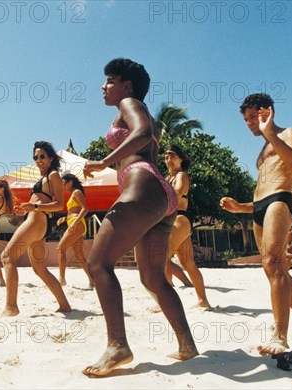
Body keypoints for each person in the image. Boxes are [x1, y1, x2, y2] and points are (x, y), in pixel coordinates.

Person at [82, 58, 198, 377]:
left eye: (110, 80)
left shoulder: (130, 103)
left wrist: (104, 161)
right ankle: (187, 344)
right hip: (160, 195)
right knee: (153, 277)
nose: (104, 86)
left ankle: (118, 344)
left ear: (127, 85)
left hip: (142, 183)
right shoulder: (136, 107)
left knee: (97, 263)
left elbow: (143, 133)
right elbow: (146, 135)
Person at [220, 93, 292, 356]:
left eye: (253, 117)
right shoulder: (263, 150)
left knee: (273, 264)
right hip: (259, 207)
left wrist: (270, 133)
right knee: (278, 272)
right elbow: (262, 189)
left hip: (280, 200)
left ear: (268, 112)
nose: (249, 123)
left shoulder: (289, 133)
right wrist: (240, 207)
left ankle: (280, 336)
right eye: (246, 120)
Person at [0, 141, 72, 317]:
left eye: (42, 156)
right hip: (36, 221)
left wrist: (35, 208)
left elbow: (59, 205)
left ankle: (11, 307)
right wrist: (26, 208)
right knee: (40, 268)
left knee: (7, 256)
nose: (38, 160)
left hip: (37, 221)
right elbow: (40, 202)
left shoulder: (53, 175)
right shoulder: (44, 178)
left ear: (50, 158)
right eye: (35, 157)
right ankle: (65, 305)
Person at [163, 145, 211, 308]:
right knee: (188, 262)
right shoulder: (168, 177)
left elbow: (177, 192)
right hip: (176, 220)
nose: (168, 159)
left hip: (179, 219)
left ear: (181, 159)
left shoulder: (181, 175)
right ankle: (203, 301)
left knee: (162, 258)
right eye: (166, 157)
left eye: (172, 156)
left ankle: (167, 302)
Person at [56, 173, 92, 287]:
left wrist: (74, 224)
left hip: (76, 223)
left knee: (60, 248)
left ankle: (61, 279)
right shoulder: (73, 194)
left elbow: (85, 209)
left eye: (64, 184)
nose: (63, 187)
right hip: (74, 223)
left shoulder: (76, 192)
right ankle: (93, 280)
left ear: (70, 182)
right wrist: (64, 218)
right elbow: (73, 211)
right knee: (79, 256)